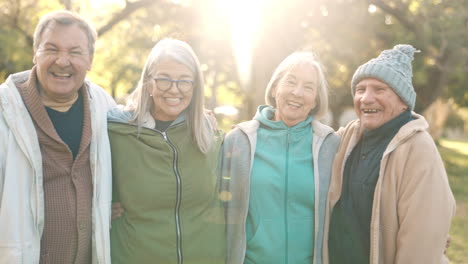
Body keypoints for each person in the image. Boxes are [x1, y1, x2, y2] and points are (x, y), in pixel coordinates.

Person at [0, 10, 115, 264]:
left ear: (90, 60)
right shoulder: (5, 110)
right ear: (35, 53)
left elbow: (143, 127)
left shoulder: (104, 107)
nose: (63, 61)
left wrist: (191, 113)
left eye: (75, 52)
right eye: (51, 49)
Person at [324, 44, 456, 264]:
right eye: (360, 89)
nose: (366, 98)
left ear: (403, 101)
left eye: (379, 89)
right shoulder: (349, 136)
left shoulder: (418, 148)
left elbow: (422, 242)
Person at [108, 38, 225, 264]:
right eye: (164, 79)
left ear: (194, 86)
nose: (174, 89)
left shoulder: (209, 132)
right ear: (149, 82)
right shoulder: (116, 132)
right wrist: (99, 206)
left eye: (184, 81)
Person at [220, 51, 340, 264]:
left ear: (315, 100)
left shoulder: (329, 145)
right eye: (291, 82)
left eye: (309, 87)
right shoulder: (239, 140)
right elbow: (217, 209)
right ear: (275, 88)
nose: (297, 92)